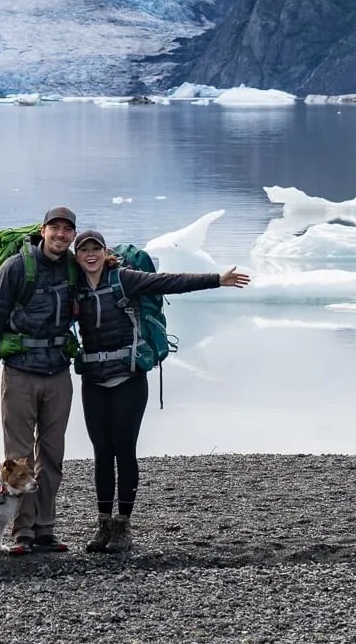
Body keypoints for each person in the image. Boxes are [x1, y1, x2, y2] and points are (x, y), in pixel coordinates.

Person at [70, 228, 249, 553]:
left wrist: (216, 279)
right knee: (101, 453)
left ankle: (123, 525)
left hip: (129, 378)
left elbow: (169, 282)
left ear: (105, 251)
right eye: (84, 250)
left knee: (123, 450)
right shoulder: (75, 287)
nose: (90, 254)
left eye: (95, 248)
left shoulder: (124, 278)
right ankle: (103, 524)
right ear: (77, 256)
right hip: (93, 380)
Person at [0, 205, 80, 554]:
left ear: (73, 236)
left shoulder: (73, 267)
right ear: (43, 230)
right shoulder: (17, 266)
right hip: (20, 372)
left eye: (68, 231)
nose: (61, 235)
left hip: (57, 372)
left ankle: (45, 529)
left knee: (52, 454)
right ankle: (22, 532)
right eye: (56, 228)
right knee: (18, 456)